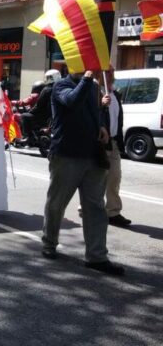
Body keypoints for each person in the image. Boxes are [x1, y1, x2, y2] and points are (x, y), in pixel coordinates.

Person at [41, 69, 124, 276]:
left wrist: (102, 126)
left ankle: (96, 257)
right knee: (57, 203)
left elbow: (97, 111)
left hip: (93, 155)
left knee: (95, 208)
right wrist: (87, 78)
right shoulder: (61, 86)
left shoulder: (94, 87)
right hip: (67, 155)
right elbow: (73, 102)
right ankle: (49, 243)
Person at [100, 66, 131, 227]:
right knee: (96, 179)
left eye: (112, 72)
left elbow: (118, 120)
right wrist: (101, 104)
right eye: (108, 72)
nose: (111, 75)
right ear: (100, 74)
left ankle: (113, 212)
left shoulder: (116, 95)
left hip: (113, 142)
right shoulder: (94, 93)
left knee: (114, 178)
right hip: (98, 143)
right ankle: (86, 208)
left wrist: (119, 141)